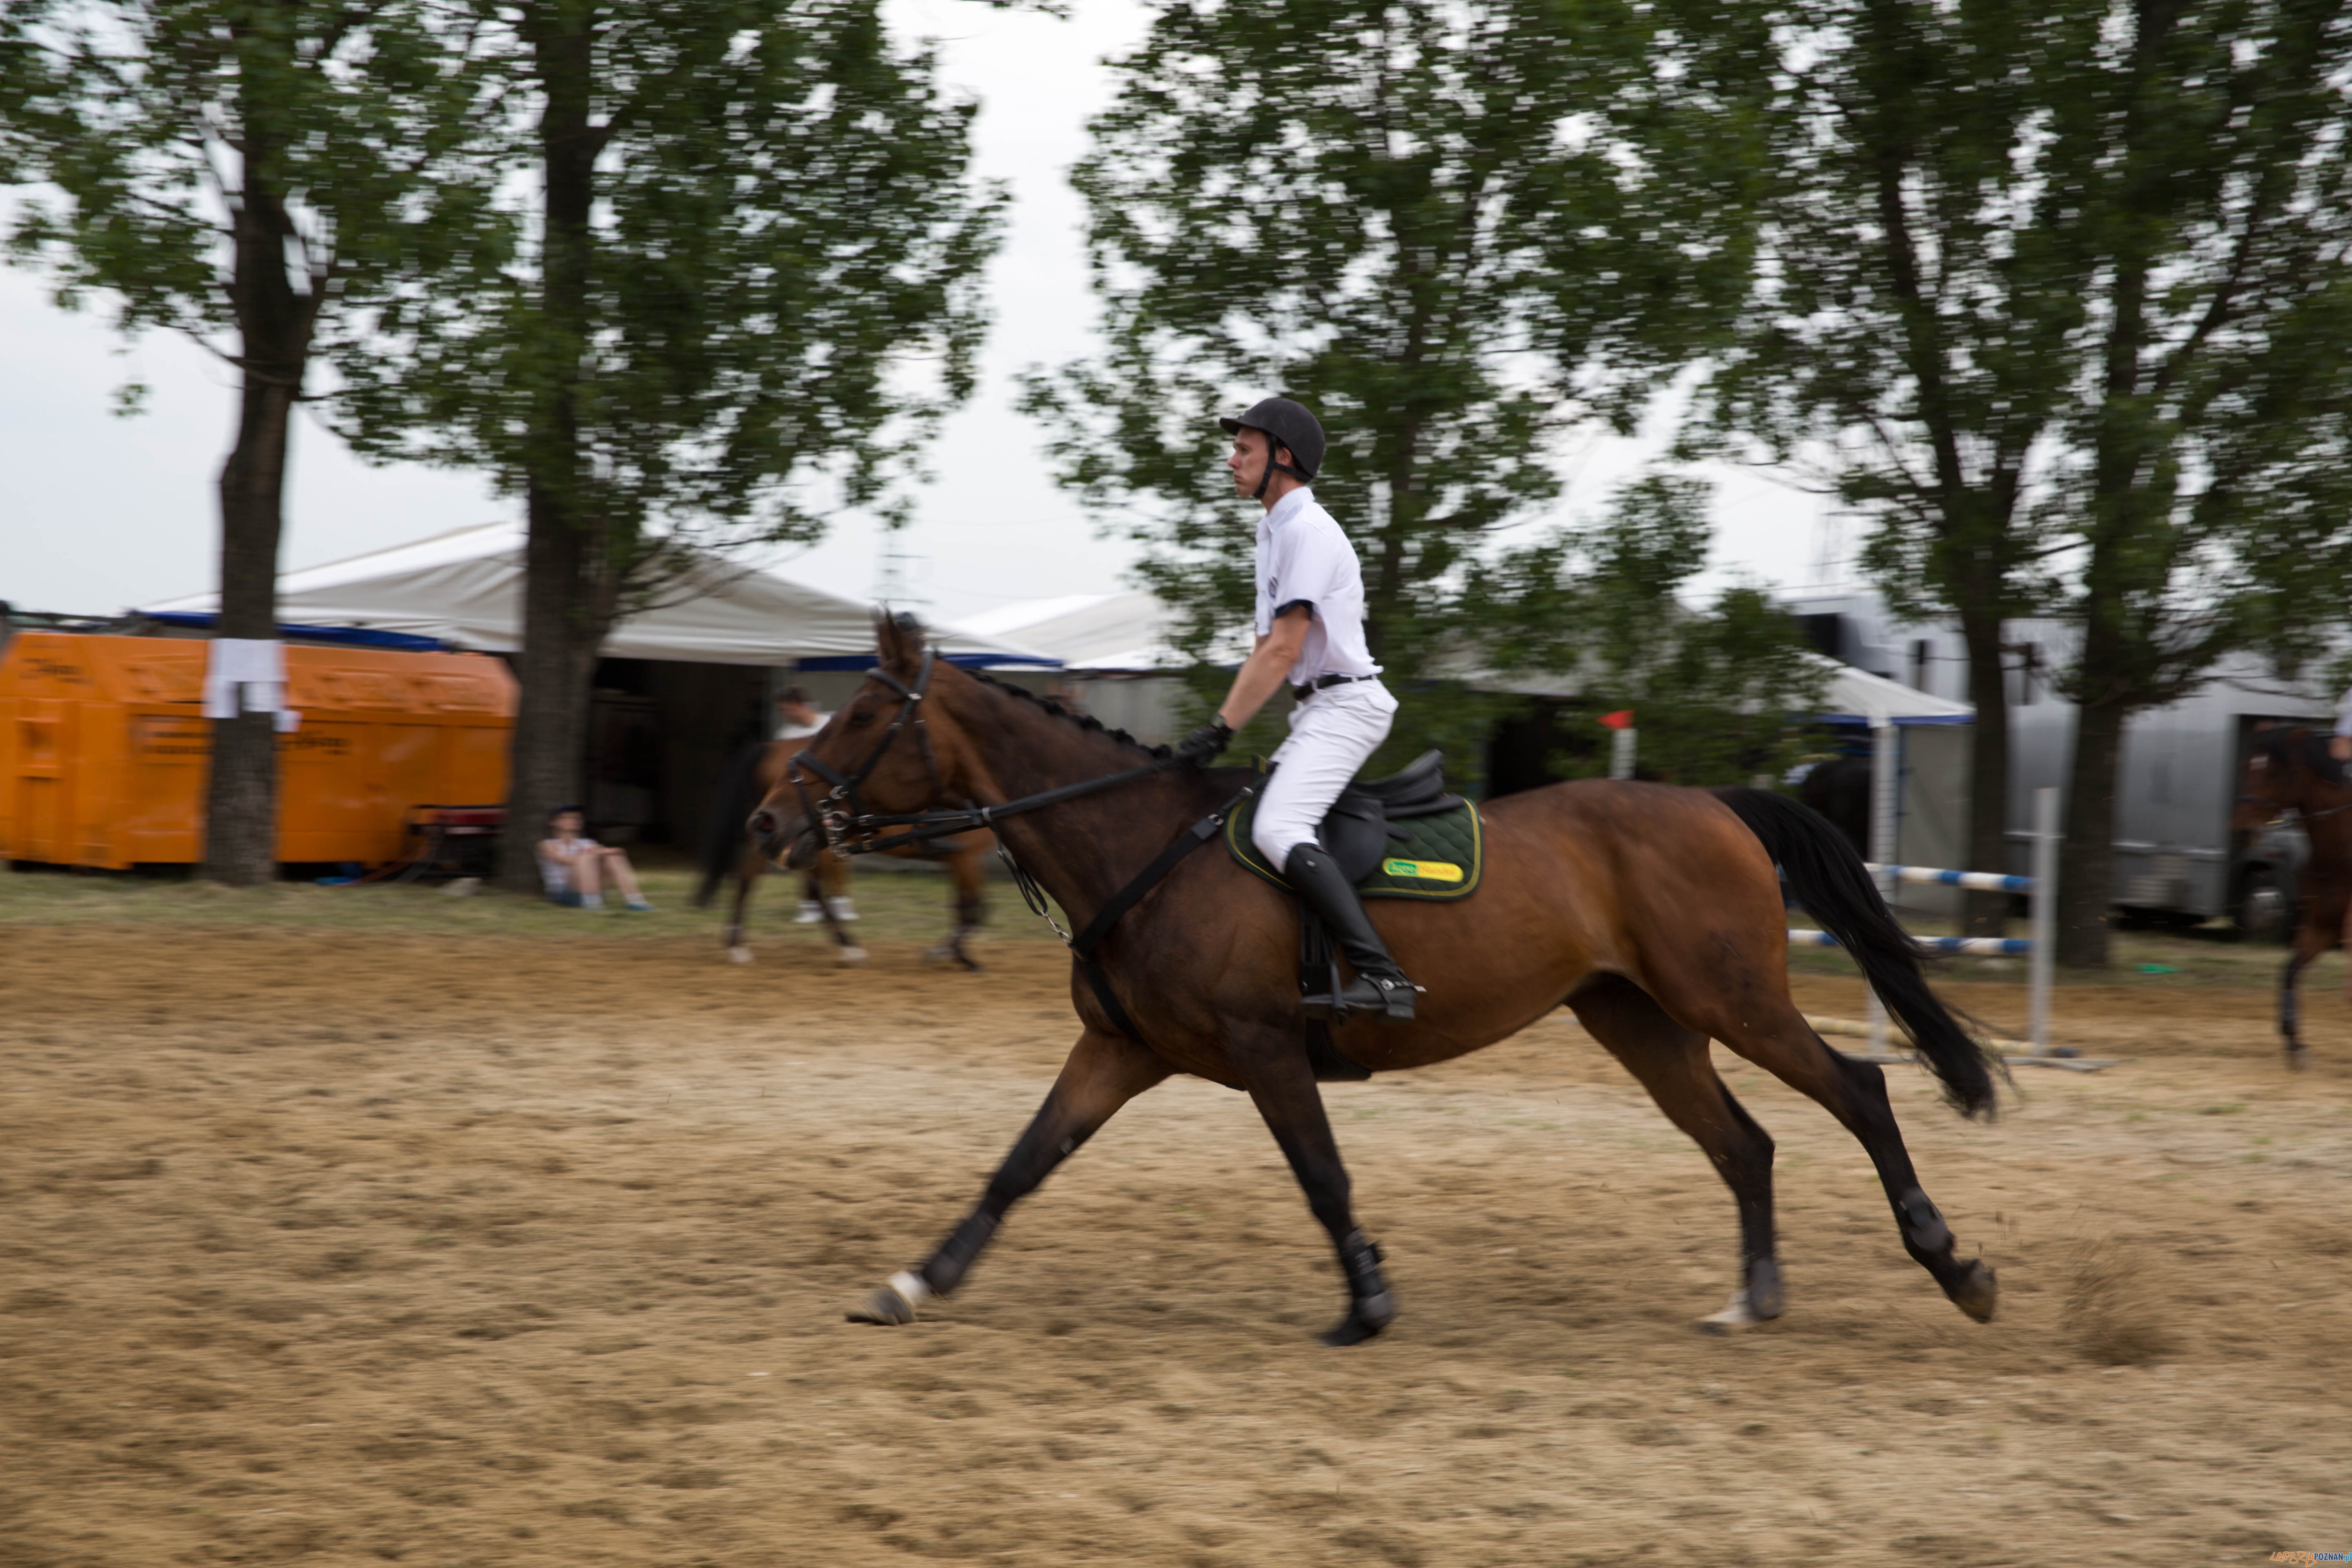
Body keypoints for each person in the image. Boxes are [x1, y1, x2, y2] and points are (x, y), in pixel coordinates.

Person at [1172, 396, 1419, 1022]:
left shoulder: (1306, 532)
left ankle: (1383, 976)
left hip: (1348, 706)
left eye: (1244, 450)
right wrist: (1218, 728)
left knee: (1277, 830)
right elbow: (1264, 649)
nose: (1232, 462)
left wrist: (1219, 729)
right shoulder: (1273, 531)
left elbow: (1283, 650)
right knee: (1252, 822)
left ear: (1282, 458)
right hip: (1317, 711)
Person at [773, 686, 856, 925]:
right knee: (806, 852)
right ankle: (811, 903)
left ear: (799, 705)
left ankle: (840, 900)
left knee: (838, 851)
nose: (785, 714)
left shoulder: (828, 725)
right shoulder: (786, 734)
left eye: (787, 709)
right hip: (805, 804)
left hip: (833, 799)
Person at [537, 805, 654, 912]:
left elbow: (612, 852)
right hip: (564, 893)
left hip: (595, 889)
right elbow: (562, 860)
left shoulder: (588, 843)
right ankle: (592, 903)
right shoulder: (547, 845)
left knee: (612, 857)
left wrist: (603, 852)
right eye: (566, 818)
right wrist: (594, 854)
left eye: (576, 818)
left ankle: (635, 901)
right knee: (587, 857)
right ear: (553, 822)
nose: (572, 821)